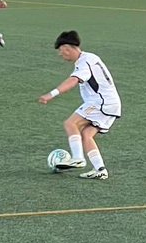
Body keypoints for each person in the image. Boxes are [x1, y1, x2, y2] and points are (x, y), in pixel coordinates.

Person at [37, 30, 120, 180]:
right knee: (87, 135)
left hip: (101, 102)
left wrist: (51, 94)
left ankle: (78, 158)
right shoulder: (90, 58)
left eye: (62, 51)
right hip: (112, 104)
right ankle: (100, 169)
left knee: (70, 124)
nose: (61, 55)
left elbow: (73, 81)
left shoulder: (84, 61)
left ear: (68, 48)